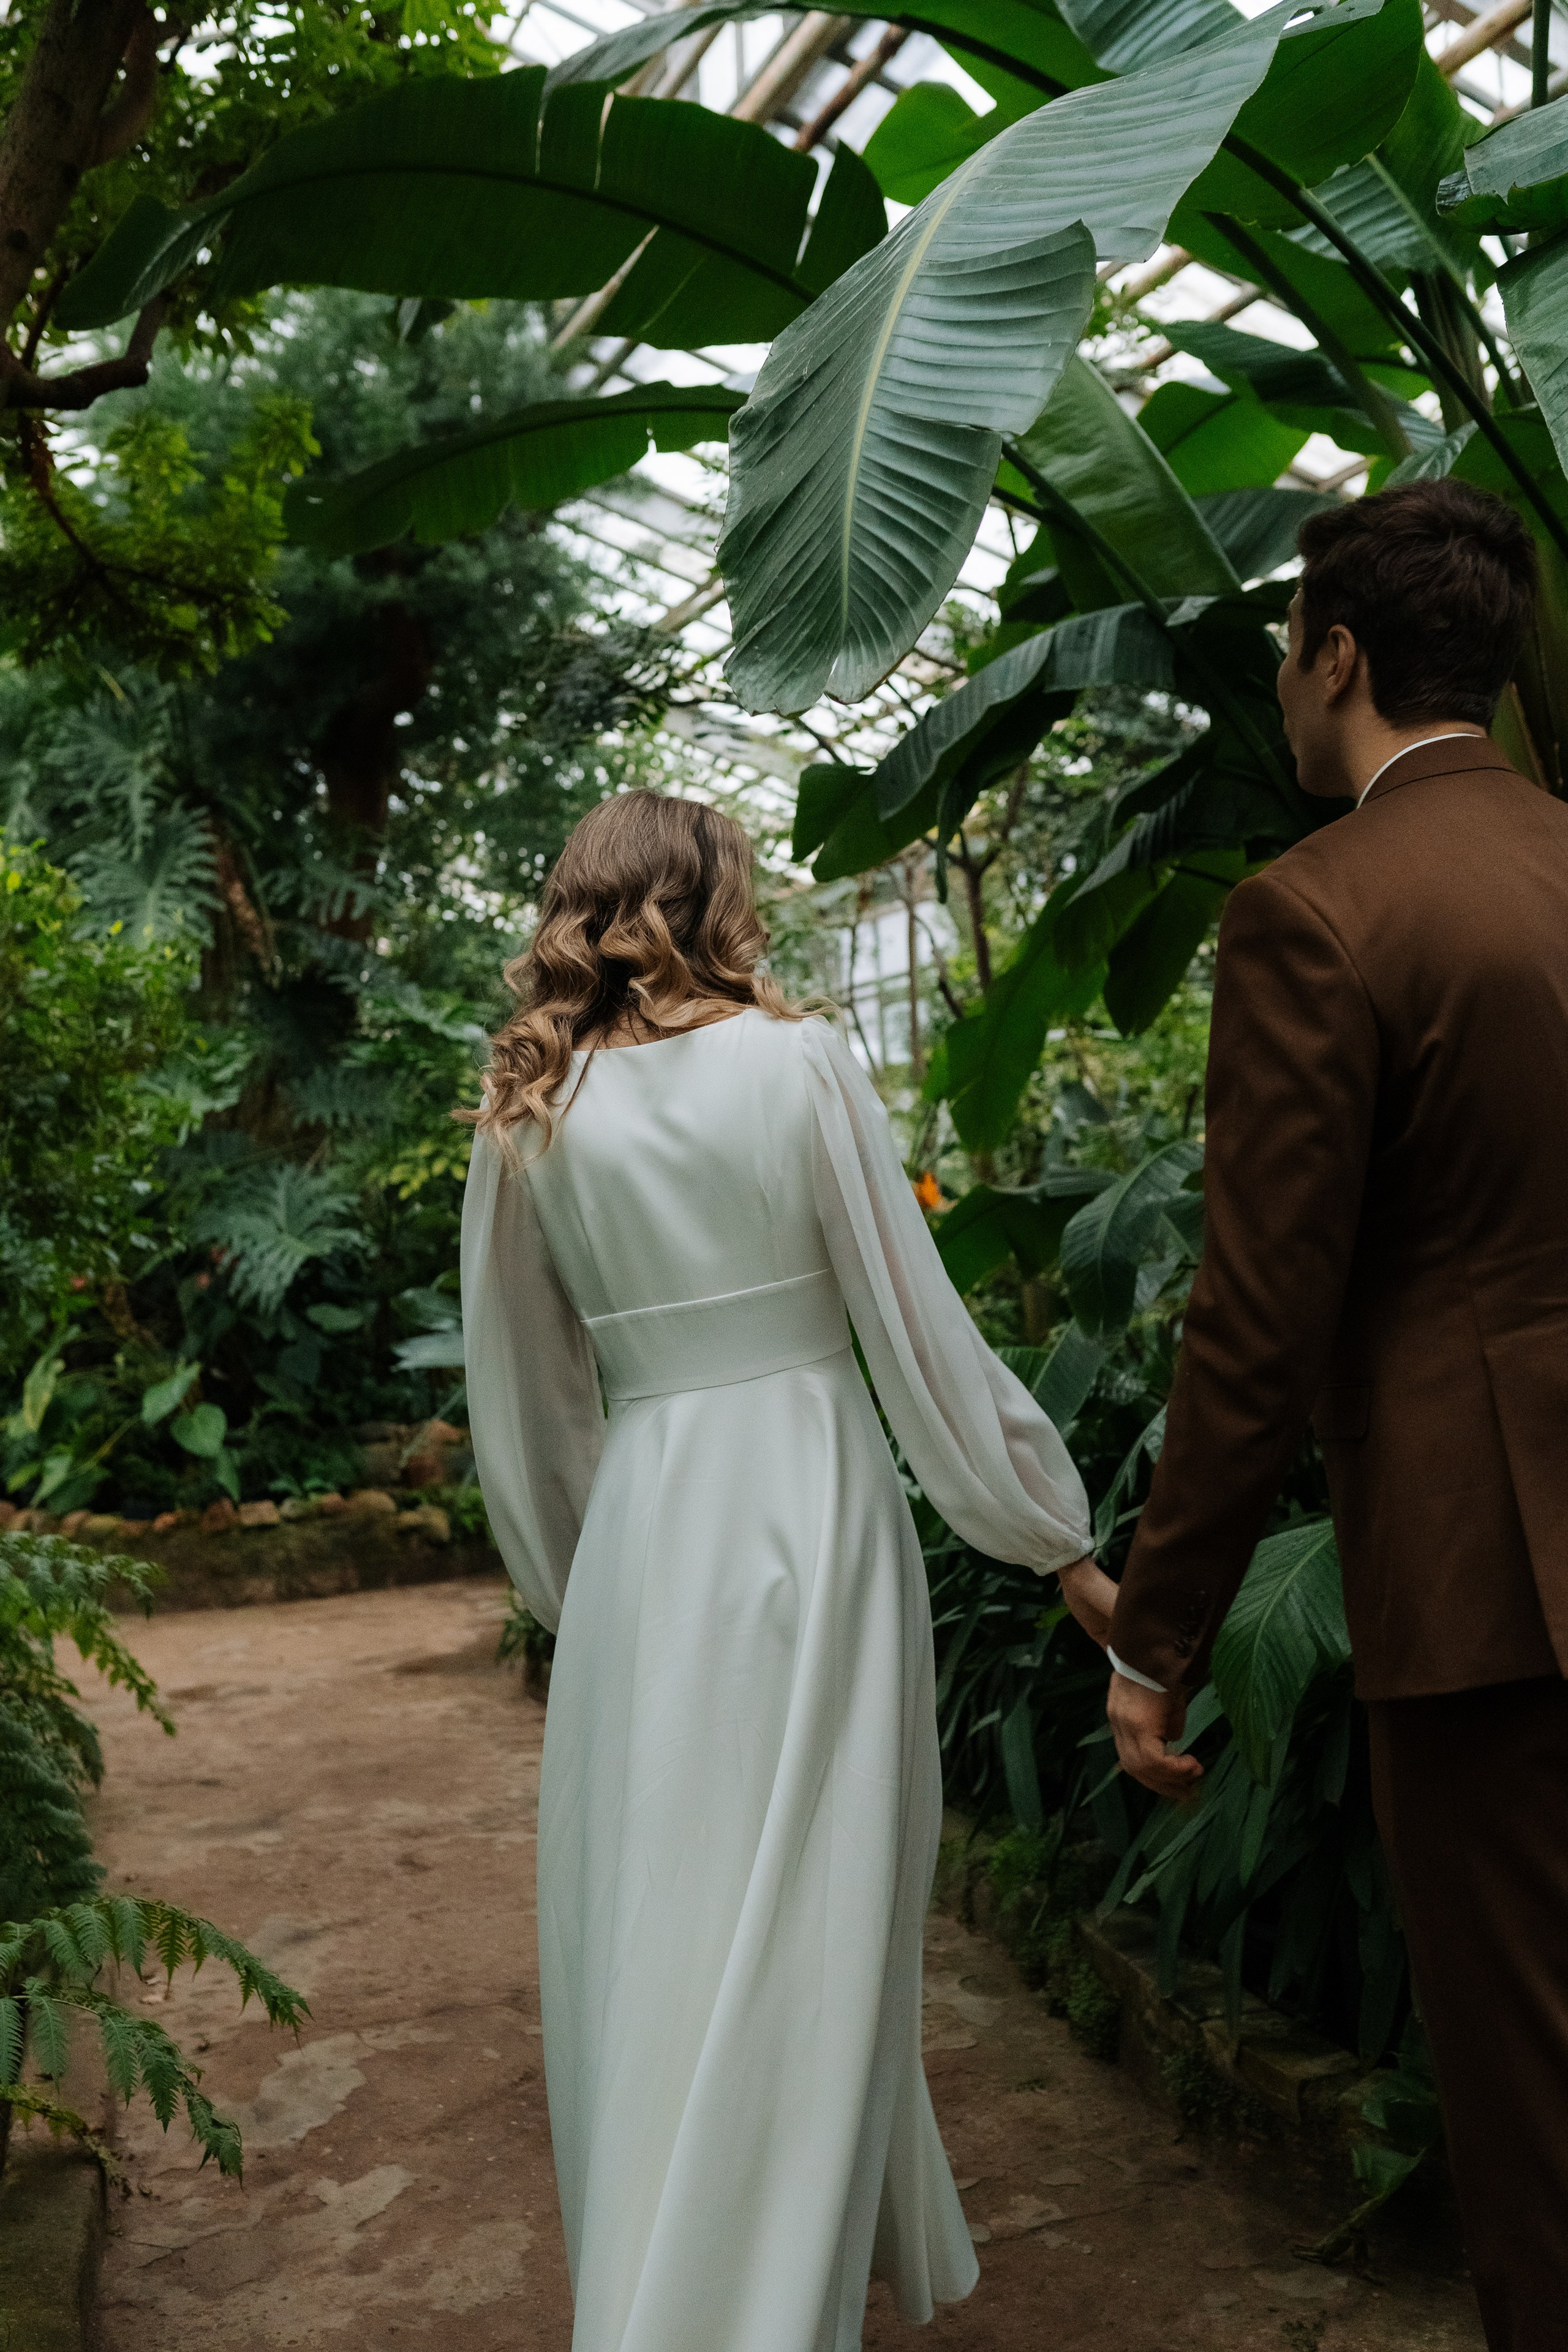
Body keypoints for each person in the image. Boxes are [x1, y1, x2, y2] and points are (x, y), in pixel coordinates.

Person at [459, 791, 1096, 2352]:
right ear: (715, 895)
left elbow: (524, 1399)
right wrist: (1049, 1533)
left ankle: (697, 2267)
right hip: (811, 1504)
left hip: (648, 1539)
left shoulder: (530, 1111)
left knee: (662, 1911)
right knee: (821, 1896)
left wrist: (578, 1586)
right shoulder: (798, 1063)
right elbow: (912, 1325)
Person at [1063, 478, 1568, 2351]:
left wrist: (1161, 1633)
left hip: (1484, 1571)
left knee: (1530, 2085)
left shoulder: (1315, 913)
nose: (1284, 685)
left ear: (1337, 655)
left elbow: (1260, 1316)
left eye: (1288, 648)